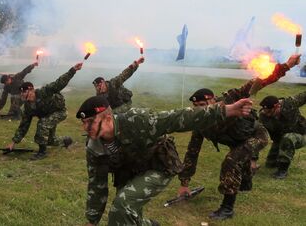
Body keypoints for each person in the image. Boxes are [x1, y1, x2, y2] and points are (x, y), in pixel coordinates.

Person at [79, 95, 254, 226]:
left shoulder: (136, 120)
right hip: (128, 170)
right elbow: (97, 184)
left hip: (158, 166)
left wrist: (226, 110)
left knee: (122, 205)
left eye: (90, 122)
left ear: (108, 118)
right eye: (83, 123)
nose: (85, 128)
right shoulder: (94, 147)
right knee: (127, 213)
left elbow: (177, 118)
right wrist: (92, 220)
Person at [178, 54, 301, 220]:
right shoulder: (200, 122)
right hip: (236, 139)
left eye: (202, 105)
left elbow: (259, 81)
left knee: (231, 161)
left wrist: (286, 65)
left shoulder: (229, 99)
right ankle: (245, 183)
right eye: (196, 106)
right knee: (240, 162)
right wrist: (184, 183)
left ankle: (227, 208)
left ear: (213, 100)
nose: (200, 109)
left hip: (256, 134)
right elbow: (192, 152)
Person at [6, 63, 81, 160]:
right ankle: (66, 141)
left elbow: (59, 83)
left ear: (31, 89)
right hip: (48, 116)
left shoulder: (44, 91)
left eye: (24, 92)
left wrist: (73, 70)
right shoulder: (28, 107)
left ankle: (42, 152)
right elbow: (24, 125)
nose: (23, 95)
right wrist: (13, 143)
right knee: (50, 140)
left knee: (42, 124)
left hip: (59, 112)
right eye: (21, 93)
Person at [259, 91, 306, 179]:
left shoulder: (290, 104)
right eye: (265, 111)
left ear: (277, 106)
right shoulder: (263, 116)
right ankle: (276, 160)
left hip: (301, 135)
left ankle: (282, 170)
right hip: (280, 139)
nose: (267, 114)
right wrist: (253, 159)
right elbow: (257, 136)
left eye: (269, 111)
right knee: (270, 165)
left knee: (288, 137)